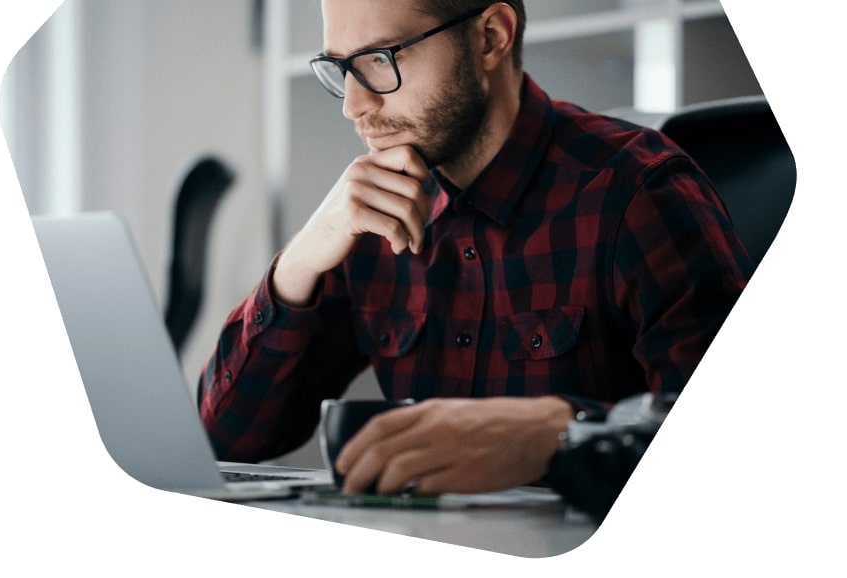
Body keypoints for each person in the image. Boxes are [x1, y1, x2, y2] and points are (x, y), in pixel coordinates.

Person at [197, 0, 752, 499]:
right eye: (341, 68)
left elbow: (742, 444)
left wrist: (561, 434)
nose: (354, 106)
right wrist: (299, 263)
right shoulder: (371, 219)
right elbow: (228, 439)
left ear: (490, 37)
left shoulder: (639, 193)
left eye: (379, 59)